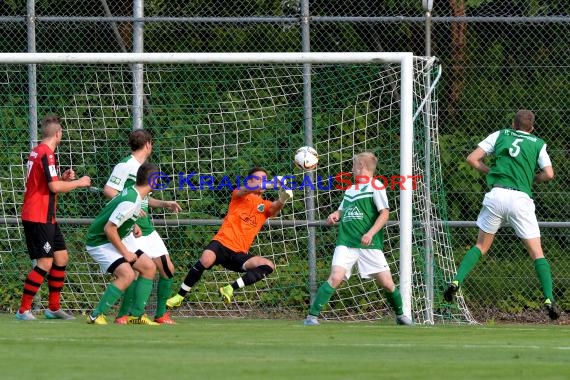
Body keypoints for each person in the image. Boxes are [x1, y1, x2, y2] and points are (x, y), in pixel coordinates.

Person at [443, 109, 560, 320]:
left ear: (513, 124)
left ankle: (456, 281)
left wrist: (492, 172)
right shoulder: (538, 143)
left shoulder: (500, 134)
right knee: (537, 253)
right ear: (531, 128)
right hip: (520, 199)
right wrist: (532, 179)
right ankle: (549, 299)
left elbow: (472, 159)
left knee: (481, 246)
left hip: (496, 194)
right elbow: (549, 174)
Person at [304, 152, 413, 326]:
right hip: (346, 242)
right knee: (336, 277)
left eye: (354, 166)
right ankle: (312, 317)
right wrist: (335, 215)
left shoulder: (376, 186)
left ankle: (401, 315)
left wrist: (370, 233)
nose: (352, 169)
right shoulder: (350, 189)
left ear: (361, 166)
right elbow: (342, 211)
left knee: (387, 283)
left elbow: (384, 213)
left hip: (369, 244)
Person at [166, 167, 293, 308]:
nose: (263, 182)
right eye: (259, 179)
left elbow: (274, 209)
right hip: (221, 243)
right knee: (206, 259)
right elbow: (244, 190)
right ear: (250, 181)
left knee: (268, 266)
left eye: (265, 179)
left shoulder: (265, 205)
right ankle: (179, 296)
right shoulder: (240, 194)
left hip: (238, 254)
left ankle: (230, 288)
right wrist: (270, 184)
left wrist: (283, 198)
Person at [16, 114, 92, 321]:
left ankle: (53, 308)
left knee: (61, 257)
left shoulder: (36, 152)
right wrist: (79, 182)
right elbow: (53, 187)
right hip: (38, 216)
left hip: (46, 216)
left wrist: (63, 179)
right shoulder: (47, 155)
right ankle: (23, 310)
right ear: (58, 134)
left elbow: (41, 183)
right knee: (45, 262)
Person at [103, 129, 181, 324]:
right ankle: (125, 315)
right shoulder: (126, 165)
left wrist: (164, 204)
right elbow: (110, 190)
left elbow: (143, 198)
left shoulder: (143, 168)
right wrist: (132, 213)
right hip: (134, 228)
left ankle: (160, 314)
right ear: (148, 144)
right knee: (137, 271)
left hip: (147, 228)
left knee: (167, 269)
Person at [86, 162, 161, 325]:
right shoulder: (132, 200)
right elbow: (109, 229)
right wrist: (126, 253)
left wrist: (133, 224)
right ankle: (96, 314)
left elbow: (117, 214)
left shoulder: (133, 195)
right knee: (126, 274)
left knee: (148, 267)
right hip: (100, 241)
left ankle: (136, 315)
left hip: (113, 238)